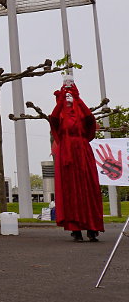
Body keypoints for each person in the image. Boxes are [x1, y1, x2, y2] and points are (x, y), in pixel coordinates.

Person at [48, 83, 103, 242]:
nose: (69, 99)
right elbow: (53, 118)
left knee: (88, 188)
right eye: (66, 97)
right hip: (68, 154)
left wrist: (77, 97)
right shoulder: (61, 115)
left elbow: (90, 120)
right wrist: (63, 96)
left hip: (83, 153)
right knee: (71, 190)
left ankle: (92, 228)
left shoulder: (81, 114)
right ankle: (76, 229)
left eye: (71, 96)